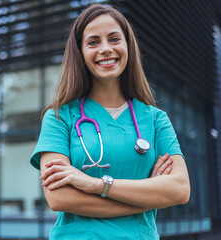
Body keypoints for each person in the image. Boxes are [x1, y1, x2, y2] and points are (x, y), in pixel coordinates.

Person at [29, 3, 190, 240]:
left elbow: (180, 189)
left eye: (114, 39)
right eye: (93, 42)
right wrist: (147, 198)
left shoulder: (156, 120)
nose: (106, 49)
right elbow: (59, 197)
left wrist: (95, 184)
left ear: (128, 47)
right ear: (80, 53)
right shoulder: (59, 117)